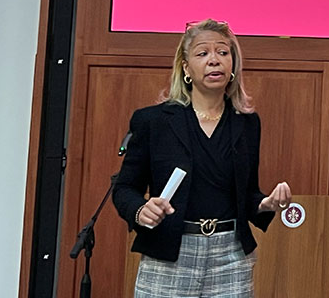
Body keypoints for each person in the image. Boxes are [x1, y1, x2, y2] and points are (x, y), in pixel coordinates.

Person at [113, 19, 291, 297]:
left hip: (230, 256)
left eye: (223, 52)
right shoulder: (153, 121)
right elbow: (124, 188)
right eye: (202, 53)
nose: (214, 61)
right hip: (169, 252)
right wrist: (140, 210)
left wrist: (265, 203)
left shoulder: (246, 123)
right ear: (185, 68)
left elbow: (246, 194)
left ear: (233, 65)